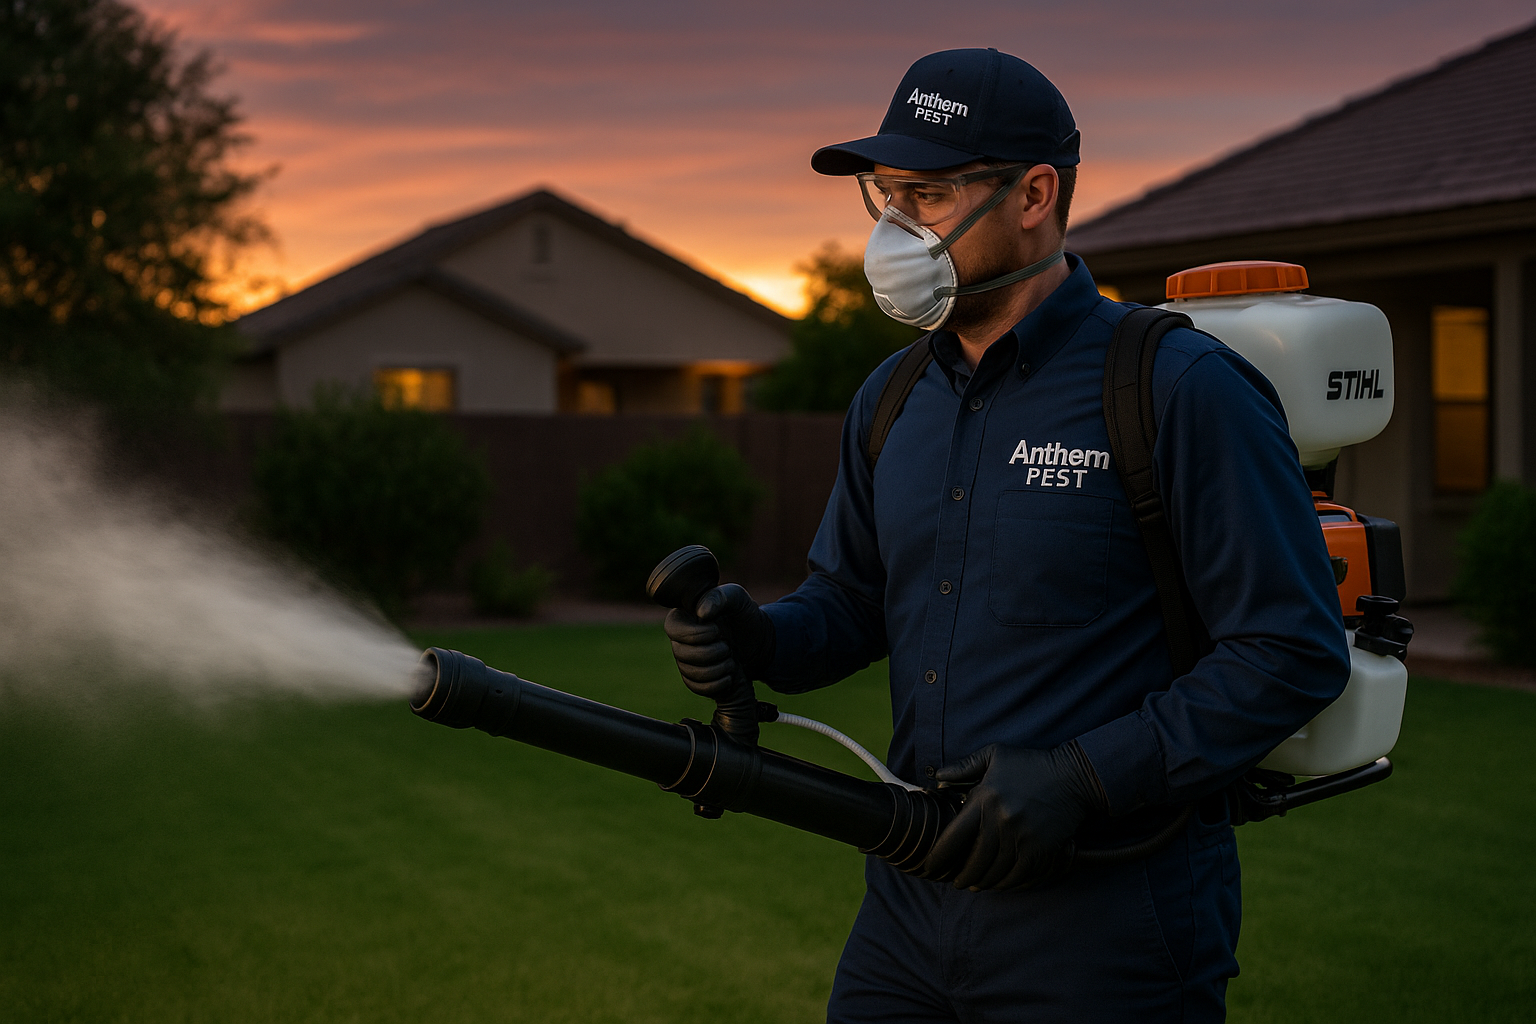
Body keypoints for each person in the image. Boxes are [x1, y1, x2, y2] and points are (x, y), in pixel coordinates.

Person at [665, 48, 1349, 1022]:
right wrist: (762, 638)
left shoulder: (1175, 389)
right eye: (888, 196)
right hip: (910, 910)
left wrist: (1080, 776)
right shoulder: (893, 397)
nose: (897, 228)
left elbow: (1290, 651)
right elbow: (854, 600)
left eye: (930, 195)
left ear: (1035, 194)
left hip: (1109, 928)